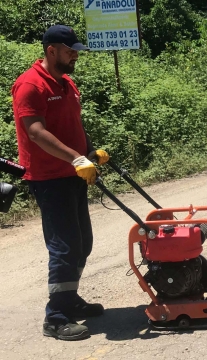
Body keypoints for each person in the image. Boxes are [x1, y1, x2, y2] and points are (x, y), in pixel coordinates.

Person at [11, 25, 111, 340]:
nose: (75, 56)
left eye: (76, 51)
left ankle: (69, 301)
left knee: (83, 244)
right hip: (49, 179)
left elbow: (71, 125)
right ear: (51, 50)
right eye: (70, 51)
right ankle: (55, 318)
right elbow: (36, 132)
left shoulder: (66, 83)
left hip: (74, 174)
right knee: (65, 247)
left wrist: (89, 152)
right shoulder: (30, 85)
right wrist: (76, 159)